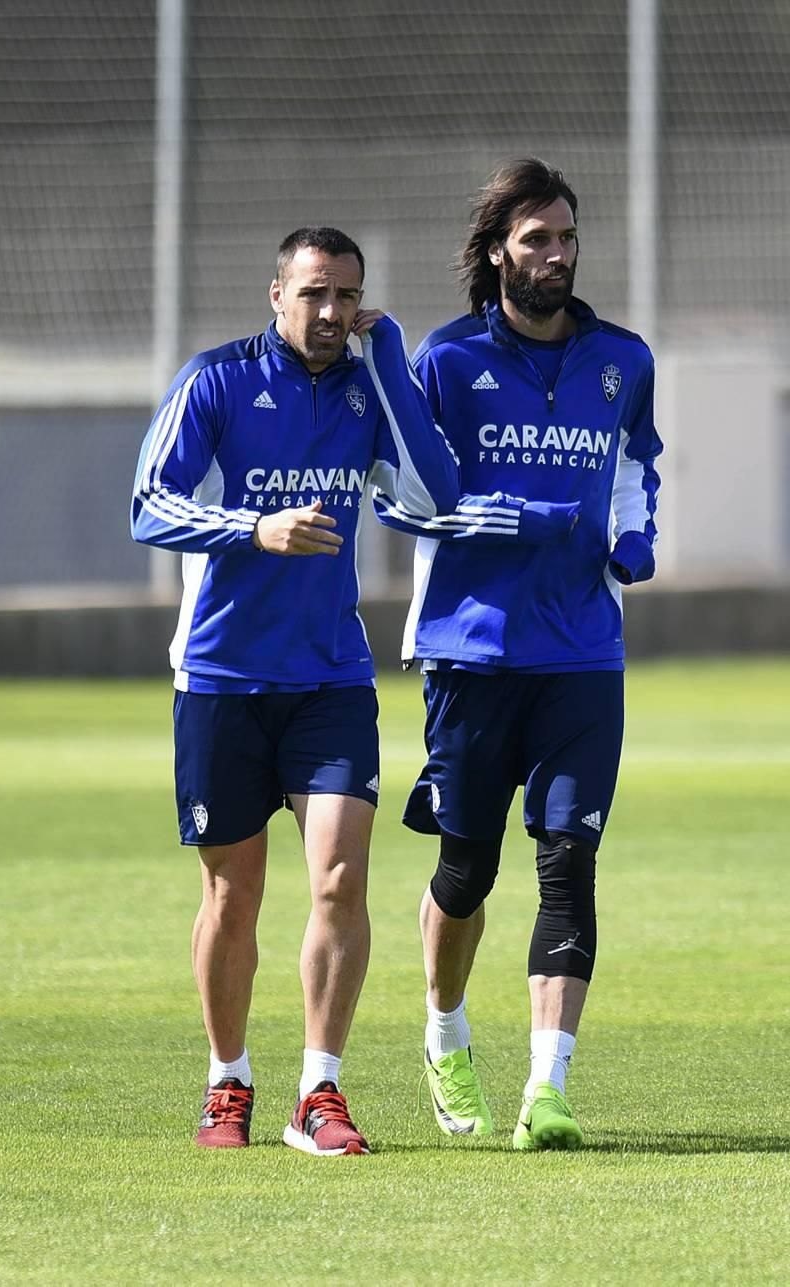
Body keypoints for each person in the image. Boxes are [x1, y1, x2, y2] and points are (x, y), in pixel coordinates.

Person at [131, 226, 459, 1155]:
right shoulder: (217, 379)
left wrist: (392, 363)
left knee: (342, 878)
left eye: (348, 297)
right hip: (222, 677)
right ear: (276, 293)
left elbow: (436, 496)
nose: (331, 313)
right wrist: (252, 528)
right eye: (314, 293)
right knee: (234, 895)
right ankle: (227, 1082)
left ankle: (320, 1093)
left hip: (330, 679)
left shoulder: (366, 387)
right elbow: (150, 502)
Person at [374, 159, 662, 1150]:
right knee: (466, 870)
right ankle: (444, 1031)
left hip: (582, 652)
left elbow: (632, 468)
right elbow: (399, 489)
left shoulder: (622, 359)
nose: (553, 254)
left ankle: (548, 1091)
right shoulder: (448, 362)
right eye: (534, 237)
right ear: (497, 248)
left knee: (567, 862)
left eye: (565, 237)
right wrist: (487, 517)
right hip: (470, 648)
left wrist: (633, 540)